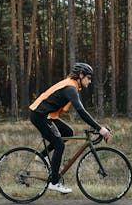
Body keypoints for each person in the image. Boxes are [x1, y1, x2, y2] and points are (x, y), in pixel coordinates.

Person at [29, 62, 111, 194]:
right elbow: (81, 111)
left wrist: (98, 127)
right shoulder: (70, 88)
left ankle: (42, 156)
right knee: (59, 145)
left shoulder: (71, 86)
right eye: (88, 78)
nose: (90, 81)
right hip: (39, 116)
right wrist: (99, 128)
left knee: (68, 132)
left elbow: (80, 110)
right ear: (81, 75)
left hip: (47, 115)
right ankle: (54, 182)